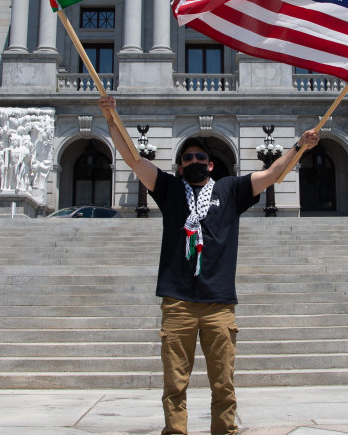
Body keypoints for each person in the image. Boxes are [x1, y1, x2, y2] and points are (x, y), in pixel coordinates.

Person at [99, 95, 319, 435]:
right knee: (174, 385)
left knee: (223, 385)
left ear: (211, 163)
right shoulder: (169, 188)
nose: (195, 160)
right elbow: (132, 158)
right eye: (188, 158)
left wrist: (299, 146)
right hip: (177, 303)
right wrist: (110, 118)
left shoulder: (231, 190)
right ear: (180, 166)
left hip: (218, 304)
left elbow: (275, 173)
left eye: (201, 156)